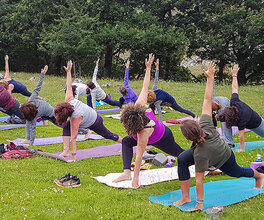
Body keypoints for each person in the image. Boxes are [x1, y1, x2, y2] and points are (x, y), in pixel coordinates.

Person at [174, 62, 263, 211]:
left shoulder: (201, 155)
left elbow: (200, 180)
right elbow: (207, 100)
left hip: (224, 157)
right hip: (207, 150)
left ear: (188, 138)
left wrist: (200, 204)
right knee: (182, 159)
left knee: (237, 172)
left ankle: (259, 176)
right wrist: (210, 78)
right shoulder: (206, 123)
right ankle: (185, 197)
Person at [113, 54, 184, 187]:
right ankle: (126, 172)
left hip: (162, 137)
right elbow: (145, 86)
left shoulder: (144, 132)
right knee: (127, 141)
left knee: (180, 154)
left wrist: (136, 180)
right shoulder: (139, 105)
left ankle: (202, 160)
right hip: (151, 134)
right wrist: (148, 67)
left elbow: (139, 156)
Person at [54, 60, 122, 162]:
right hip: (87, 115)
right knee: (66, 126)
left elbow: (74, 138)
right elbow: (69, 85)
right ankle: (65, 151)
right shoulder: (69, 99)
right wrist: (68, 71)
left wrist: (74, 158)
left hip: (95, 121)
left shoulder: (75, 118)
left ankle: (124, 142)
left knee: (107, 135)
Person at [20, 65, 91, 145]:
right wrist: (42, 75)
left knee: (64, 125)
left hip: (51, 113)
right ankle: (27, 138)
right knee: (28, 121)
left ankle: (86, 132)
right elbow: (37, 88)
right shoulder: (31, 103)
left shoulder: (33, 110)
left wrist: (31, 143)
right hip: (42, 112)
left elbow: (33, 128)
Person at [218, 65, 264, 152]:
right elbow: (235, 88)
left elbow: (241, 136)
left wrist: (242, 149)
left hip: (258, 125)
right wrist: (234, 75)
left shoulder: (242, 118)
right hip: (250, 119)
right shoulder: (234, 102)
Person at [211, 79, 234, 147]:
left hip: (222, 102)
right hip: (220, 101)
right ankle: (228, 141)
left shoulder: (211, 106)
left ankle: (229, 142)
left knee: (224, 120)